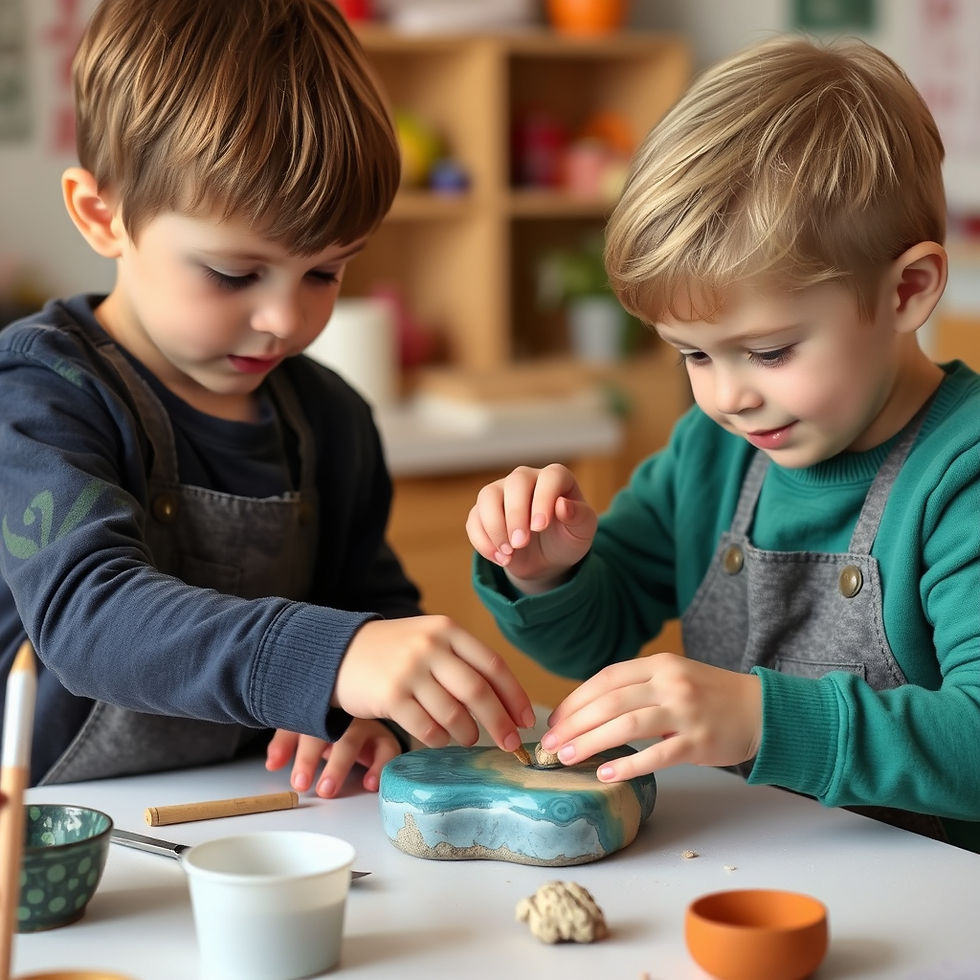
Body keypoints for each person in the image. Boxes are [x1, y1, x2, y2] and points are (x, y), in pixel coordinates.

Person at [0, 0, 534, 795]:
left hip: (243, 821)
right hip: (45, 841)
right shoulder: (40, 392)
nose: (286, 319)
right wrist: (331, 657)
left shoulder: (332, 420)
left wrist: (370, 716)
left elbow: (369, 604)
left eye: (325, 271)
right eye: (233, 273)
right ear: (101, 215)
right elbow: (90, 617)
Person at [467, 36, 980, 851]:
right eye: (695, 355)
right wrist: (547, 570)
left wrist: (758, 717)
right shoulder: (714, 455)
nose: (729, 396)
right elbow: (593, 636)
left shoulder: (963, 477)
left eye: (770, 351)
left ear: (908, 290)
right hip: (751, 867)